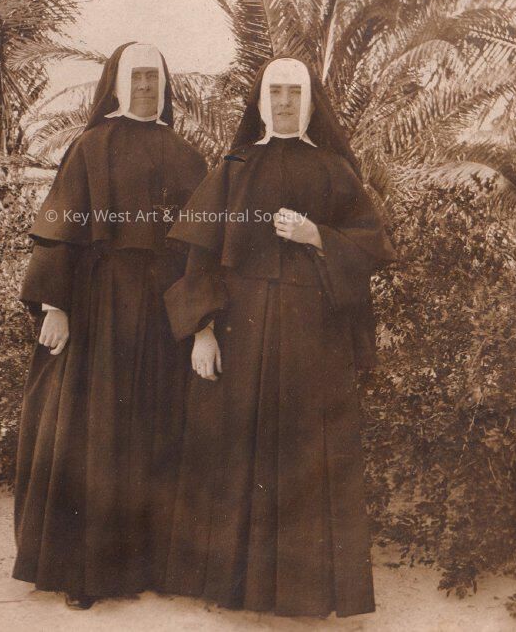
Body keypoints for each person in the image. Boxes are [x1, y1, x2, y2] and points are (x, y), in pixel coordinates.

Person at [162, 57, 396, 618]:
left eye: (294, 92)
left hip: (316, 337)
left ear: (309, 101)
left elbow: (373, 244)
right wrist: (202, 332)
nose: (285, 102)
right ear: (262, 102)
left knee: (307, 456)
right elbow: (199, 255)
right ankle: (234, 588)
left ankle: (304, 594)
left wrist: (318, 236)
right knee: (238, 451)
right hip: (242, 331)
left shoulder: (333, 169)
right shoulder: (234, 166)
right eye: (276, 93)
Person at [12, 42, 207, 608]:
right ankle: (85, 572)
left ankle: (150, 566)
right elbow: (60, 225)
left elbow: (202, 244)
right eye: (136, 77)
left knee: (155, 428)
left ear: (165, 85)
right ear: (119, 84)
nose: (146, 87)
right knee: (92, 432)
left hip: (163, 308)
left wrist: (199, 320)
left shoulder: (186, 155)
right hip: (99, 304)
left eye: (154, 78)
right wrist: (55, 305)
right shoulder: (91, 147)